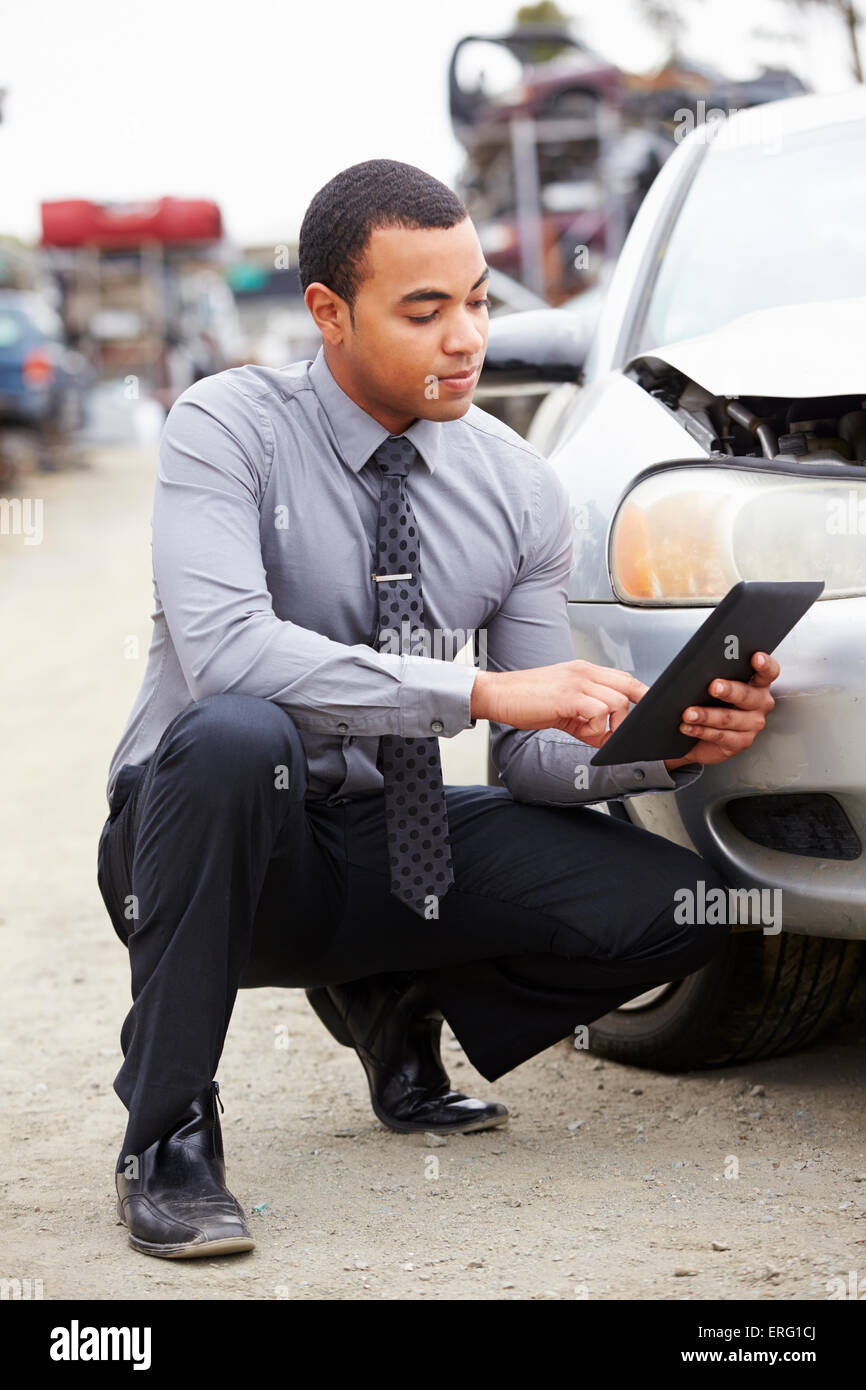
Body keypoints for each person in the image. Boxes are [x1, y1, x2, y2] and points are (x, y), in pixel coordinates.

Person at [96, 158, 779, 1260]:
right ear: (328, 313)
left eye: (474, 299)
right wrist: (473, 688)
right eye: (424, 310)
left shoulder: (516, 487)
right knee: (237, 735)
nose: (465, 336)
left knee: (676, 901)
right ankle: (167, 1134)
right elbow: (228, 655)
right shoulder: (226, 428)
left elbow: (528, 761)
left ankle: (390, 992)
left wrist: (657, 744)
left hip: (379, 846)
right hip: (203, 842)